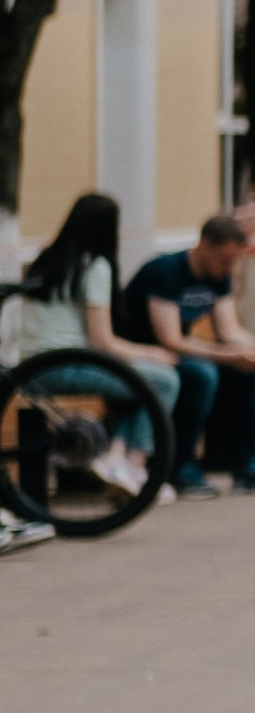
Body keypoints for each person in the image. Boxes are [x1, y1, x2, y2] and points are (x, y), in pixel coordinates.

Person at [13, 192, 180, 495]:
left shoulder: (48, 257)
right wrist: (152, 353)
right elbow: (102, 342)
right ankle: (134, 462)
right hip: (64, 368)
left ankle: (117, 457)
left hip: (32, 366)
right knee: (164, 381)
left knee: (139, 383)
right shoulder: (96, 267)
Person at [114, 212, 255, 493]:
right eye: (224, 259)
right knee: (201, 374)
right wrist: (231, 357)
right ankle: (180, 467)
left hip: (175, 354)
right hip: (143, 355)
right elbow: (170, 340)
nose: (228, 267)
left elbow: (229, 332)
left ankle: (248, 467)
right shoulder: (165, 271)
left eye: (234, 261)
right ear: (204, 244)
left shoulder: (219, 275)